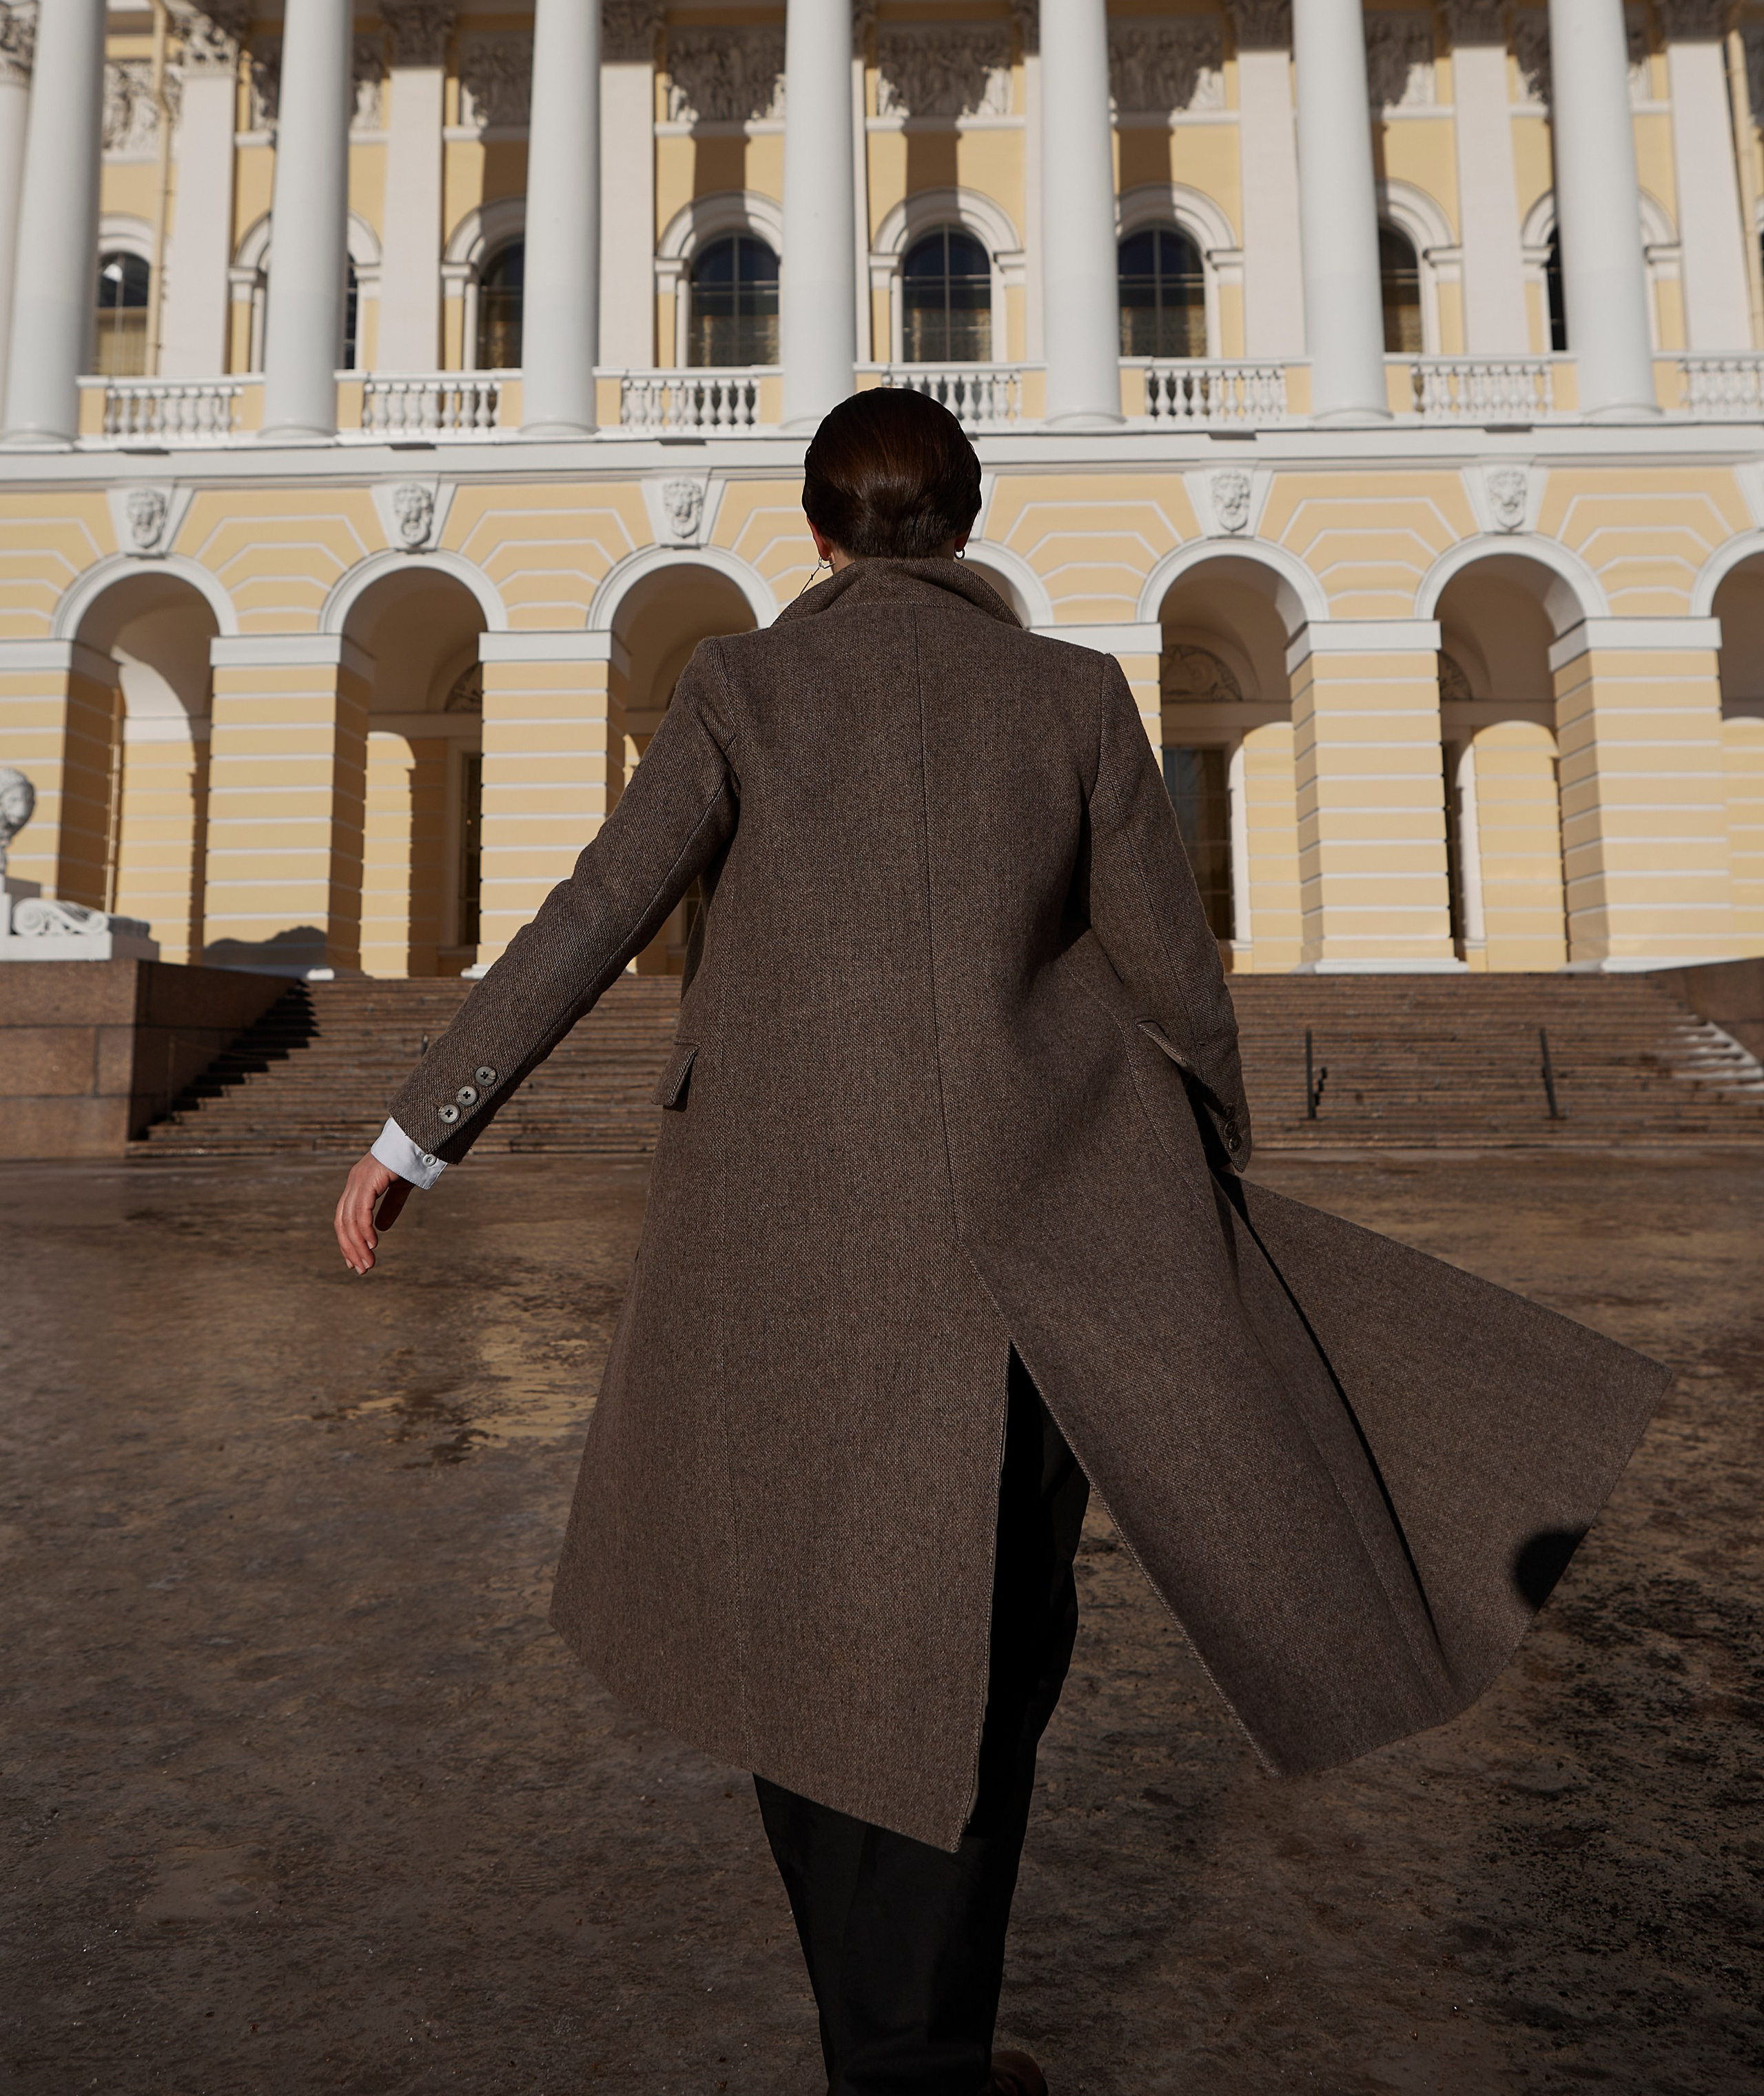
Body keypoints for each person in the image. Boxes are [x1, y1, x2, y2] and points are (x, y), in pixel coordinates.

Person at [333, 389, 1666, 2096]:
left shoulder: (742, 686)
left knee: (797, 1642)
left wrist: (413, 1132)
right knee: (982, 1660)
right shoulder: (1072, 695)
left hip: (780, 1270)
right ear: (964, 525)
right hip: (1043, 1262)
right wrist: (1208, 1190)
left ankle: (887, 2051)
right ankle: (917, 2056)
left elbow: (597, 907)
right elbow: (1172, 977)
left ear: (811, 532)